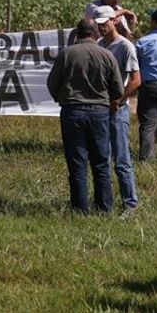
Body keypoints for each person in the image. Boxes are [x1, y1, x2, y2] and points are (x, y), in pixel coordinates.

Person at [47, 19, 124, 214]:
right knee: (101, 163)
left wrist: (62, 99)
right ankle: (104, 209)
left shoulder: (66, 54)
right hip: (99, 112)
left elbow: (52, 83)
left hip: (73, 111)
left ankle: (80, 210)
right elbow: (118, 89)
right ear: (97, 33)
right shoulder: (107, 55)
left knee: (77, 163)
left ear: (77, 33)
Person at [94, 5, 141, 215]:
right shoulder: (98, 45)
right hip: (101, 107)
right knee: (102, 158)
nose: (101, 28)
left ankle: (130, 203)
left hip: (117, 108)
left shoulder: (125, 46)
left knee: (121, 159)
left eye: (104, 24)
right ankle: (105, 204)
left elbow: (136, 80)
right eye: (98, 25)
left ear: (113, 21)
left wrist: (120, 100)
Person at [136, 8, 157, 160]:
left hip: (150, 86)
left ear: (154, 22)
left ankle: (147, 158)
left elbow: (136, 66)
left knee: (148, 125)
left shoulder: (143, 41)